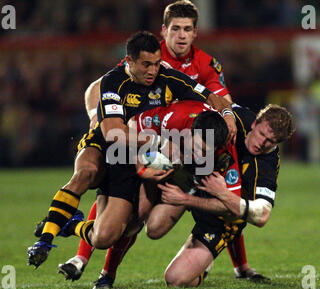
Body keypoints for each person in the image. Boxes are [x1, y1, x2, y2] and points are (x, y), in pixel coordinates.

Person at [56, 0, 260, 287]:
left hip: (191, 146)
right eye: (175, 28)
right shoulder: (148, 54)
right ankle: (92, 264)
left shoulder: (206, 64)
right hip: (144, 141)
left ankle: (241, 265)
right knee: (129, 210)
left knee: (221, 192)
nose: (181, 35)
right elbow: (98, 88)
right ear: (164, 30)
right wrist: (96, 116)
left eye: (187, 29)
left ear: (195, 33)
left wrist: (226, 114)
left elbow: (222, 99)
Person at [27, 31, 235, 269]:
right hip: (105, 145)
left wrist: (227, 115)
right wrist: (158, 143)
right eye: (146, 64)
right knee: (85, 173)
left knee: (105, 237)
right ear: (129, 61)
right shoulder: (113, 82)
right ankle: (44, 241)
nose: (152, 70)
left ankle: (70, 225)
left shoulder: (168, 77)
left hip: (130, 159)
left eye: (156, 64)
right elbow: (114, 134)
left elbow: (214, 97)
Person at [157, 103, 295, 287]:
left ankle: (205, 266)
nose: (262, 143)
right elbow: (214, 99)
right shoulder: (235, 119)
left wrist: (220, 194)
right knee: (154, 227)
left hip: (221, 217)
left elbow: (262, 215)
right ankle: (108, 273)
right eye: (262, 134)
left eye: (270, 141)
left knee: (175, 280)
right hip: (196, 181)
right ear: (254, 123)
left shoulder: (265, 166)